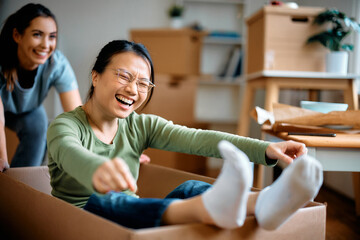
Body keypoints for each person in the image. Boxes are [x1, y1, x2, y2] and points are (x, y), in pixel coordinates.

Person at [46, 40, 323, 230]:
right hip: (81, 221)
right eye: (124, 76)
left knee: (191, 188)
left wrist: (264, 149)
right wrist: (98, 169)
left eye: (143, 83)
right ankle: (208, 210)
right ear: (95, 76)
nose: (133, 89)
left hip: (135, 219)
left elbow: (198, 139)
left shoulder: (140, 125)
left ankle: (265, 205)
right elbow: (71, 153)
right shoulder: (65, 126)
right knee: (104, 199)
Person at [0, 3, 82, 171]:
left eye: (52, 36)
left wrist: (114, 152)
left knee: (38, 123)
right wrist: (2, 159)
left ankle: (18, 186)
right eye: (37, 35)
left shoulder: (57, 64)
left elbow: (78, 116)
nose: (46, 45)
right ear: (17, 35)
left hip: (26, 111)